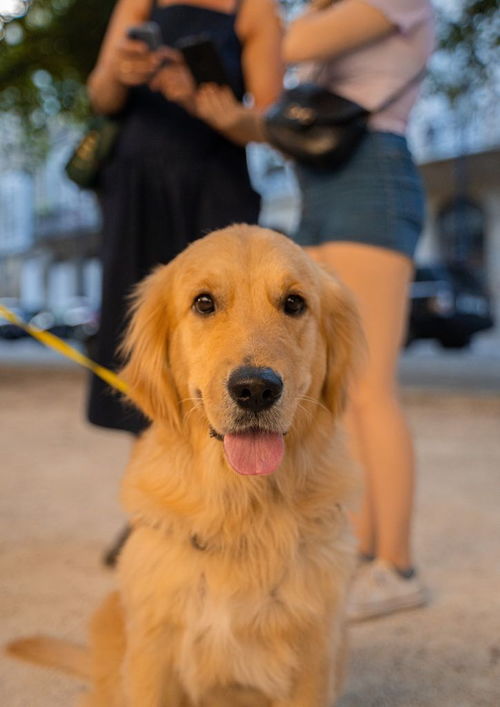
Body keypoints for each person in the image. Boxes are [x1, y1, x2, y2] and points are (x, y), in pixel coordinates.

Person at [85, 0, 283, 563]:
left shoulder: (256, 10)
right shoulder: (137, 2)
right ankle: (151, 506)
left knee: (229, 341)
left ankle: (228, 510)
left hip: (210, 187)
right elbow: (100, 98)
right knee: (142, 349)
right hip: (135, 190)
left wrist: (199, 98)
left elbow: (269, 121)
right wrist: (117, 73)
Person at [281, 0, 435, 620]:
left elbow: (290, 45)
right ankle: (359, 553)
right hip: (320, 185)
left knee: (372, 387)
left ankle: (396, 567)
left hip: (371, 177)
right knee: (337, 388)